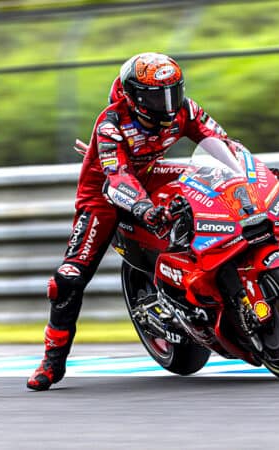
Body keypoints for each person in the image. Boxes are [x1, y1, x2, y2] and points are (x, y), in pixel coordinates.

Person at [27, 52, 239, 391]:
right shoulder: (111, 124)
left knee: (211, 180)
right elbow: (118, 178)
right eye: (157, 96)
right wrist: (142, 208)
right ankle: (52, 362)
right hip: (104, 195)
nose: (168, 104)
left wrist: (250, 172)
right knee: (66, 280)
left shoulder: (186, 109)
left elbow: (221, 143)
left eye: (173, 92)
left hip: (151, 173)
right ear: (133, 96)